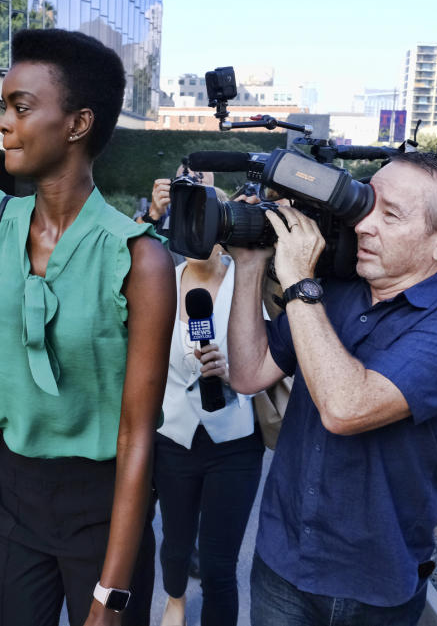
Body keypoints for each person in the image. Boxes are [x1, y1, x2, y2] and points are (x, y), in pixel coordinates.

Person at [0, 28, 174, 626]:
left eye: (21, 107)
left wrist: (110, 597)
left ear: (77, 124)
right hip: (12, 497)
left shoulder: (139, 259)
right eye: (4, 106)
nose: (4, 124)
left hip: (104, 508)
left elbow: (137, 435)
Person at [227, 151, 437, 626]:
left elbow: (346, 408)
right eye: (366, 205)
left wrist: (298, 281)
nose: (362, 225)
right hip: (282, 559)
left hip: (372, 586)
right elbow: (248, 374)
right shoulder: (335, 290)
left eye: (390, 215)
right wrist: (251, 264)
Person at [154, 187, 264, 626]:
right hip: (174, 439)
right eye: (188, 221)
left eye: (206, 219)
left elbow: (274, 357)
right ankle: (175, 599)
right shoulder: (162, 278)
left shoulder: (252, 279)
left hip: (234, 442)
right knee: (176, 544)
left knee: (220, 565)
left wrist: (235, 371)